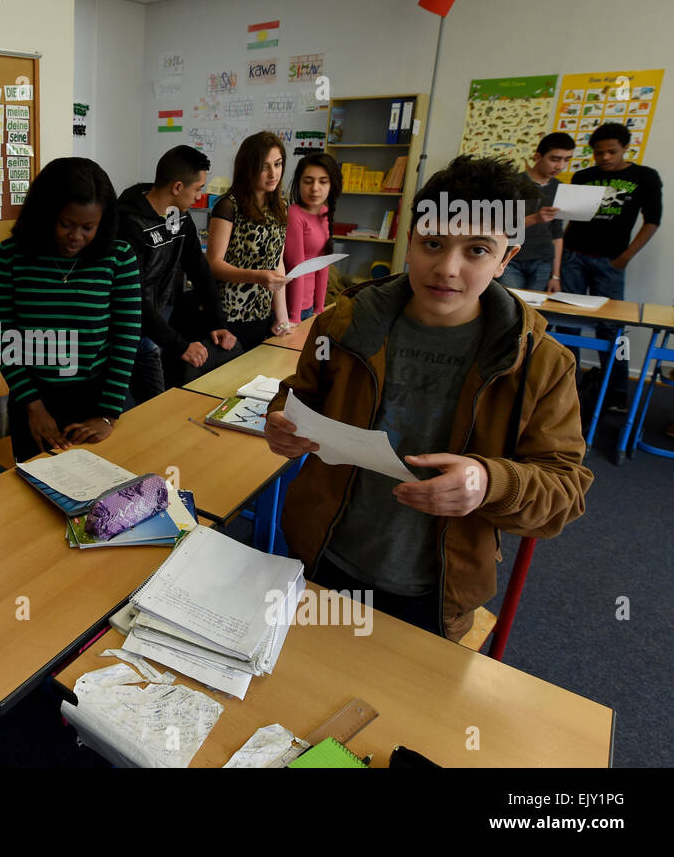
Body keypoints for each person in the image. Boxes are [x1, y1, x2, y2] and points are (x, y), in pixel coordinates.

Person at [264, 155, 593, 641]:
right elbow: (301, 395)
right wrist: (280, 421)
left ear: (507, 258)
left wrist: (488, 482)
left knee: (402, 708)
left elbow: (565, 490)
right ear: (410, 239)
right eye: (432, 243)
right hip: (320, 554)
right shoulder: (345, 322)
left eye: (477, 250)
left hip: (435, 586)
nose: (447, 268)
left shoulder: (540, 363)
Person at [0, 157, 141, 460]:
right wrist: (33, 405)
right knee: (36, 490)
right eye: (66, 224)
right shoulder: (12, 256)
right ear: (45, 213)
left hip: (96, 398)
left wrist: (108, 415)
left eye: (88, 227)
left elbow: (126, 336)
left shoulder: (118, 256)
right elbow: (2, 335)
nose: (76, 237)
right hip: (32, 398)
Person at [115, 145, 236, 405]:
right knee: (122, 411)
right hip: (121, 334)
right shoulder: (128, 224)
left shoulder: (178, 217)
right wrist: (180, 345)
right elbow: (132, 298)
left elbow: (200, 270)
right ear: (178, 187)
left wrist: (218, 322)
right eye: (198, 188)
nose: (199, 196)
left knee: (154, 406)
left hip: (150, 330)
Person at [561, 122, 662, 410]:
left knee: (613, 329)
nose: (604, 158)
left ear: (626, 148)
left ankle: (617, 389)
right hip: (574, 258)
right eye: (598, 153)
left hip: (611, 262)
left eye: (611, 152)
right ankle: (567, 385)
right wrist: (563, 254)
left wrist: (625, 258)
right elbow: (572, 218)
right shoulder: (583, 175)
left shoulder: (645, 177)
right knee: (569, 323)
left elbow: (653, 221)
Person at [206, 131, 294, 351]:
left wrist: (281, 316)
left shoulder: (280, 204)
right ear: (248, 167)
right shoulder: (229, 206)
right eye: (264, 166)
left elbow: (278, 262)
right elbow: (213, 264)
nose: (273, 173)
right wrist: (257, 277)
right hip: (229, 314)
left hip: (262, 311)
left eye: (278, 164)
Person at [501, 132, 571, 292]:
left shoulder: (560, 188)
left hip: (543, 262)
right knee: (512, 307)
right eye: (554, 159)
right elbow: (499, 227)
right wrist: (534, 219)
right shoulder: (513, 183)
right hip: (511, 259)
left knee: (536, 311)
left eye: (566, 159)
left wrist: (556, 276)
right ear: (538, 157)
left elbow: (557, 234)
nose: (560, 166)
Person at [283, 152, 342, 322]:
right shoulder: (294, 215)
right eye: (308, 181)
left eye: (323, 182)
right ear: (299, 183)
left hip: (308, 306)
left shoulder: (324, 213)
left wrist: (319, 308)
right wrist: (294, 319)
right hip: (289, 308)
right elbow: (297, 267)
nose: (315, 188)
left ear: (331, 185)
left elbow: (322, 266)